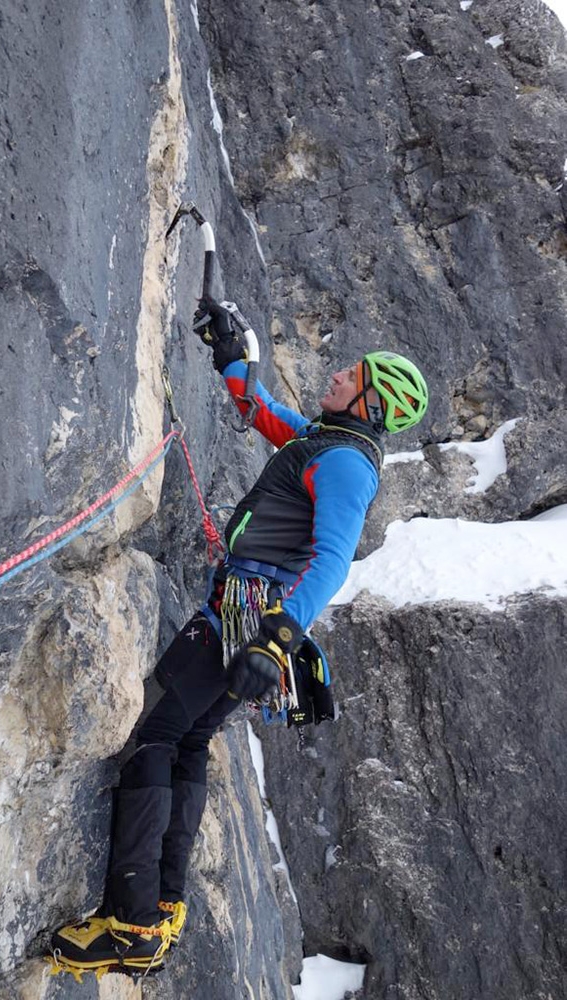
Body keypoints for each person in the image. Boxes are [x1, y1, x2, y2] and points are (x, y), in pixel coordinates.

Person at [49, 299, 429, 979]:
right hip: (248, 618)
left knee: (154, 736)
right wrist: (231, 355)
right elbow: (264, 414)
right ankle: (159, 910)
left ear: (372, 403)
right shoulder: (327, 443)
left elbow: (332, 557)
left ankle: (130, 922)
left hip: (247, 617)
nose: (335, 375)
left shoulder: (348, 466)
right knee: (187, 739)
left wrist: (274, 638)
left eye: (351, 375)